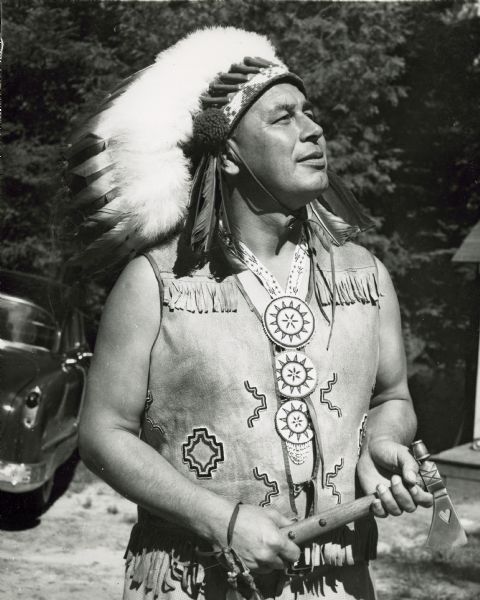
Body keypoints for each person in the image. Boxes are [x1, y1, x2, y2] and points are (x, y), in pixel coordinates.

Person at [71, 27, 433, 600]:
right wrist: (222, 521)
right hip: (195, 582)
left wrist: (382, 444)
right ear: (231, 154)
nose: (313, 129)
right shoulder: (158, 283)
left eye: (310, 113)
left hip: (339, 583)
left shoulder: (366, 277)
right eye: (283, 116)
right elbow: (102, 434)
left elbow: (393, 397)